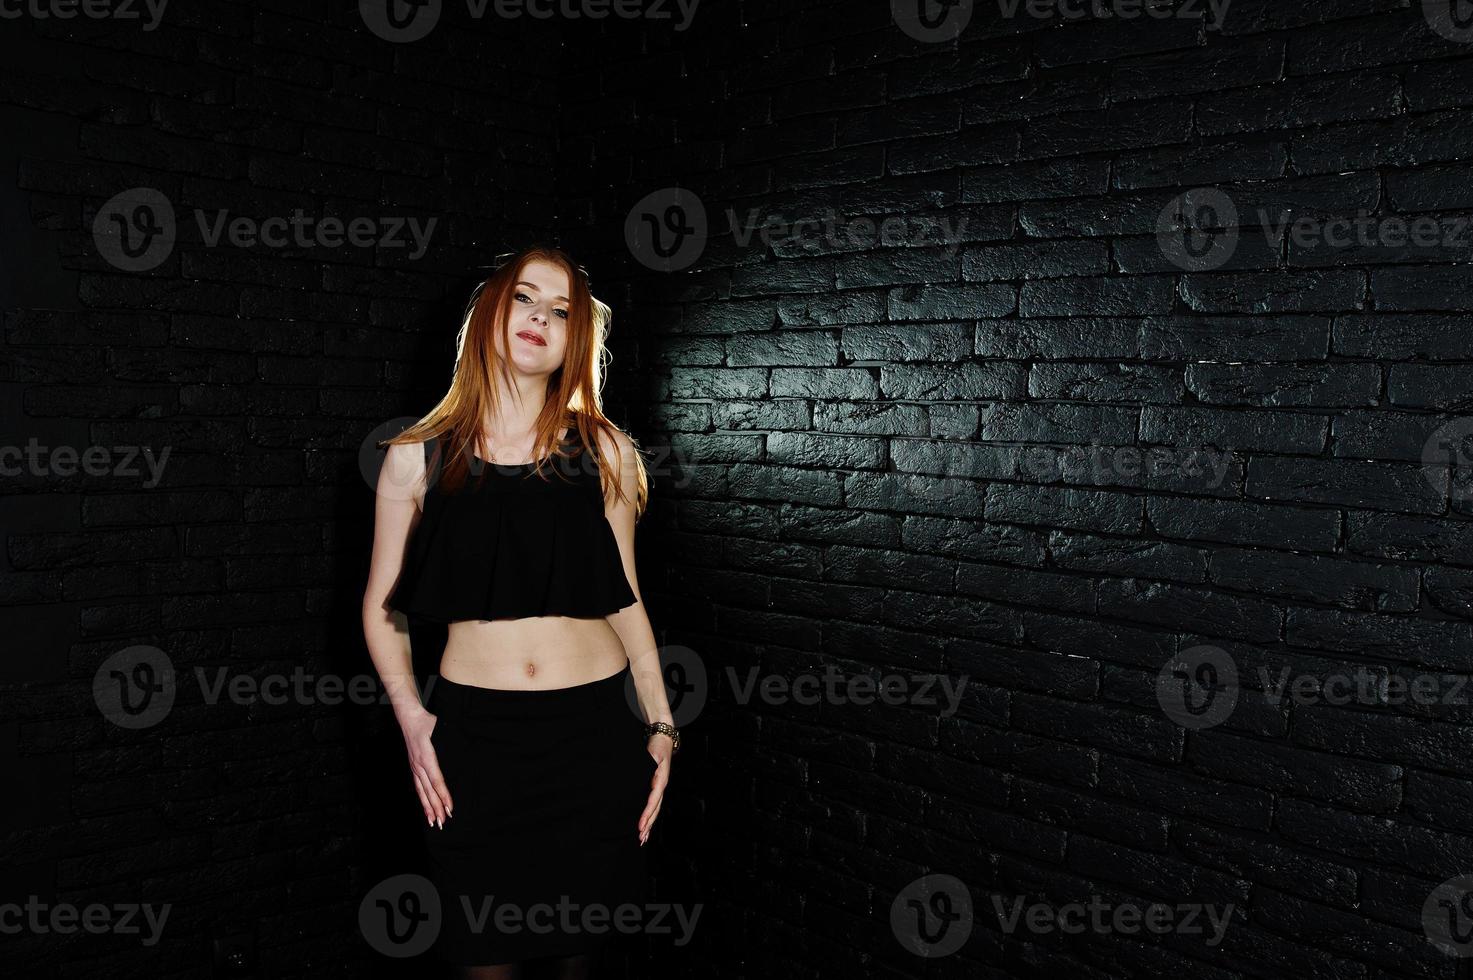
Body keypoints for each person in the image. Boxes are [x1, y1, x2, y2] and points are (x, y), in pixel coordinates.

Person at [361, 245, 678, 979]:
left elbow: (626, 600)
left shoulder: (605, 451)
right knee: (483, 958)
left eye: (561, 310)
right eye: (524, 298)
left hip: (595, 738)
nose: (540, 317)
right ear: (489, 314)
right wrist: (411, 720)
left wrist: (662, 724)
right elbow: (383, 612)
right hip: (475, 743)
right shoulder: (415, 457)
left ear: (576, 342)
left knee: (579, 958)